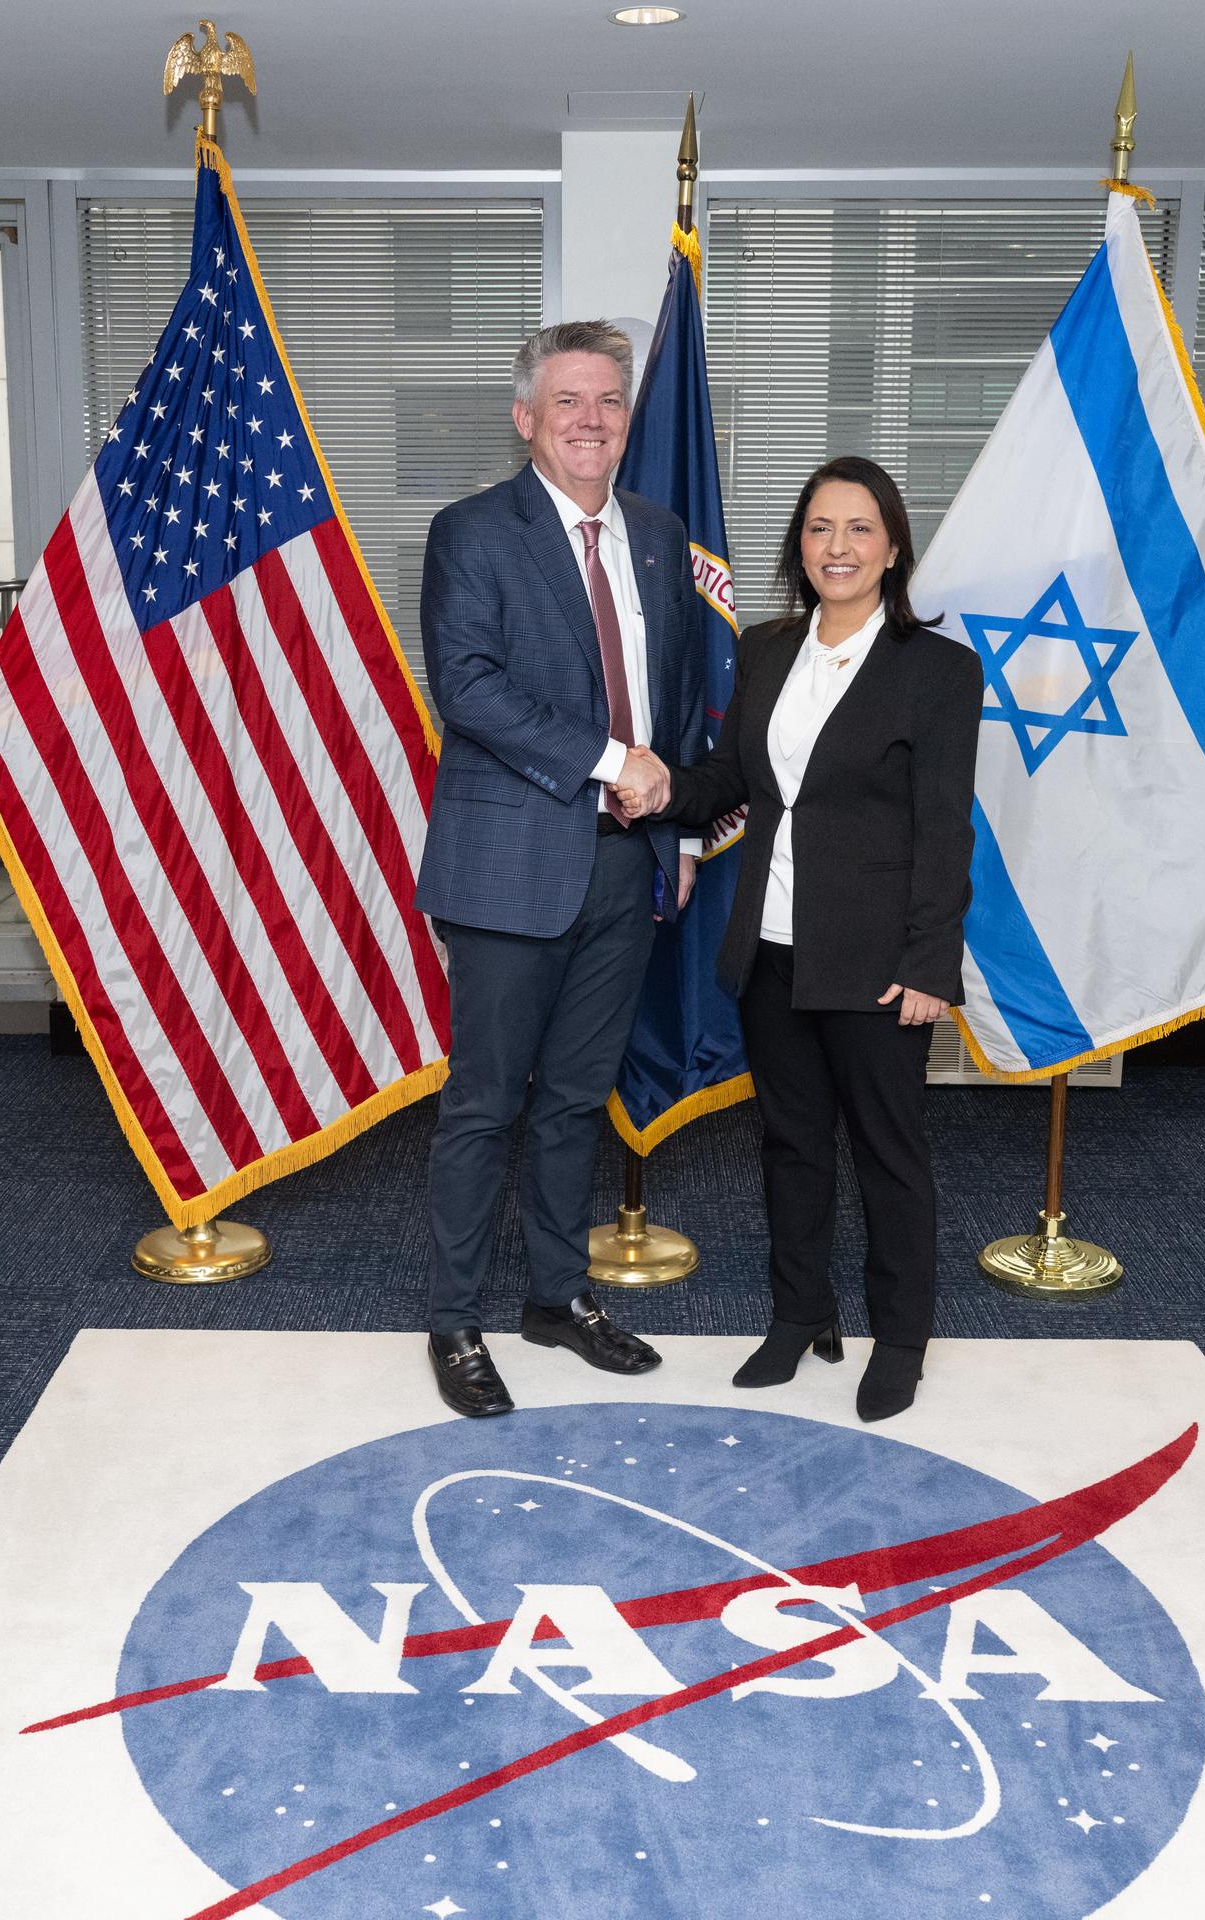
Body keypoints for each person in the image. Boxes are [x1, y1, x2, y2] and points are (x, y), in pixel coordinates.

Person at [618, 456, 982, 1421]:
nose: (838, 547)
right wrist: (658, 783)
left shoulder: (939, 670)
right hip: (769, 949)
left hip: (877, 965)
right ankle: (798, 1316)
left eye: (859, 529)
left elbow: (947, 827)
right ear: (799, 546)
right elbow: (729, 779)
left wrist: (928, 964)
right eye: (820, 529)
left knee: (888, 1154)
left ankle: (899, 1338)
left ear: (892, 547)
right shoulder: (769, 648)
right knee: (789, 1145)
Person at [417, 320, 705, 1418]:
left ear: (628, 420)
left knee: (576, 1100)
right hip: (508, 863)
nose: (592, 421)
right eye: (569, 402)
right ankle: (454, 1317)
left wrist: (672, 832)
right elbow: (473, 690)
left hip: (625, 864)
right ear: (526, 418)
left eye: (610, 403)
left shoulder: (658, 532)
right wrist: (608, 761)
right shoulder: (473, 533)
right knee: (486, 1103)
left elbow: (672, 704)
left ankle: (554, 1296)